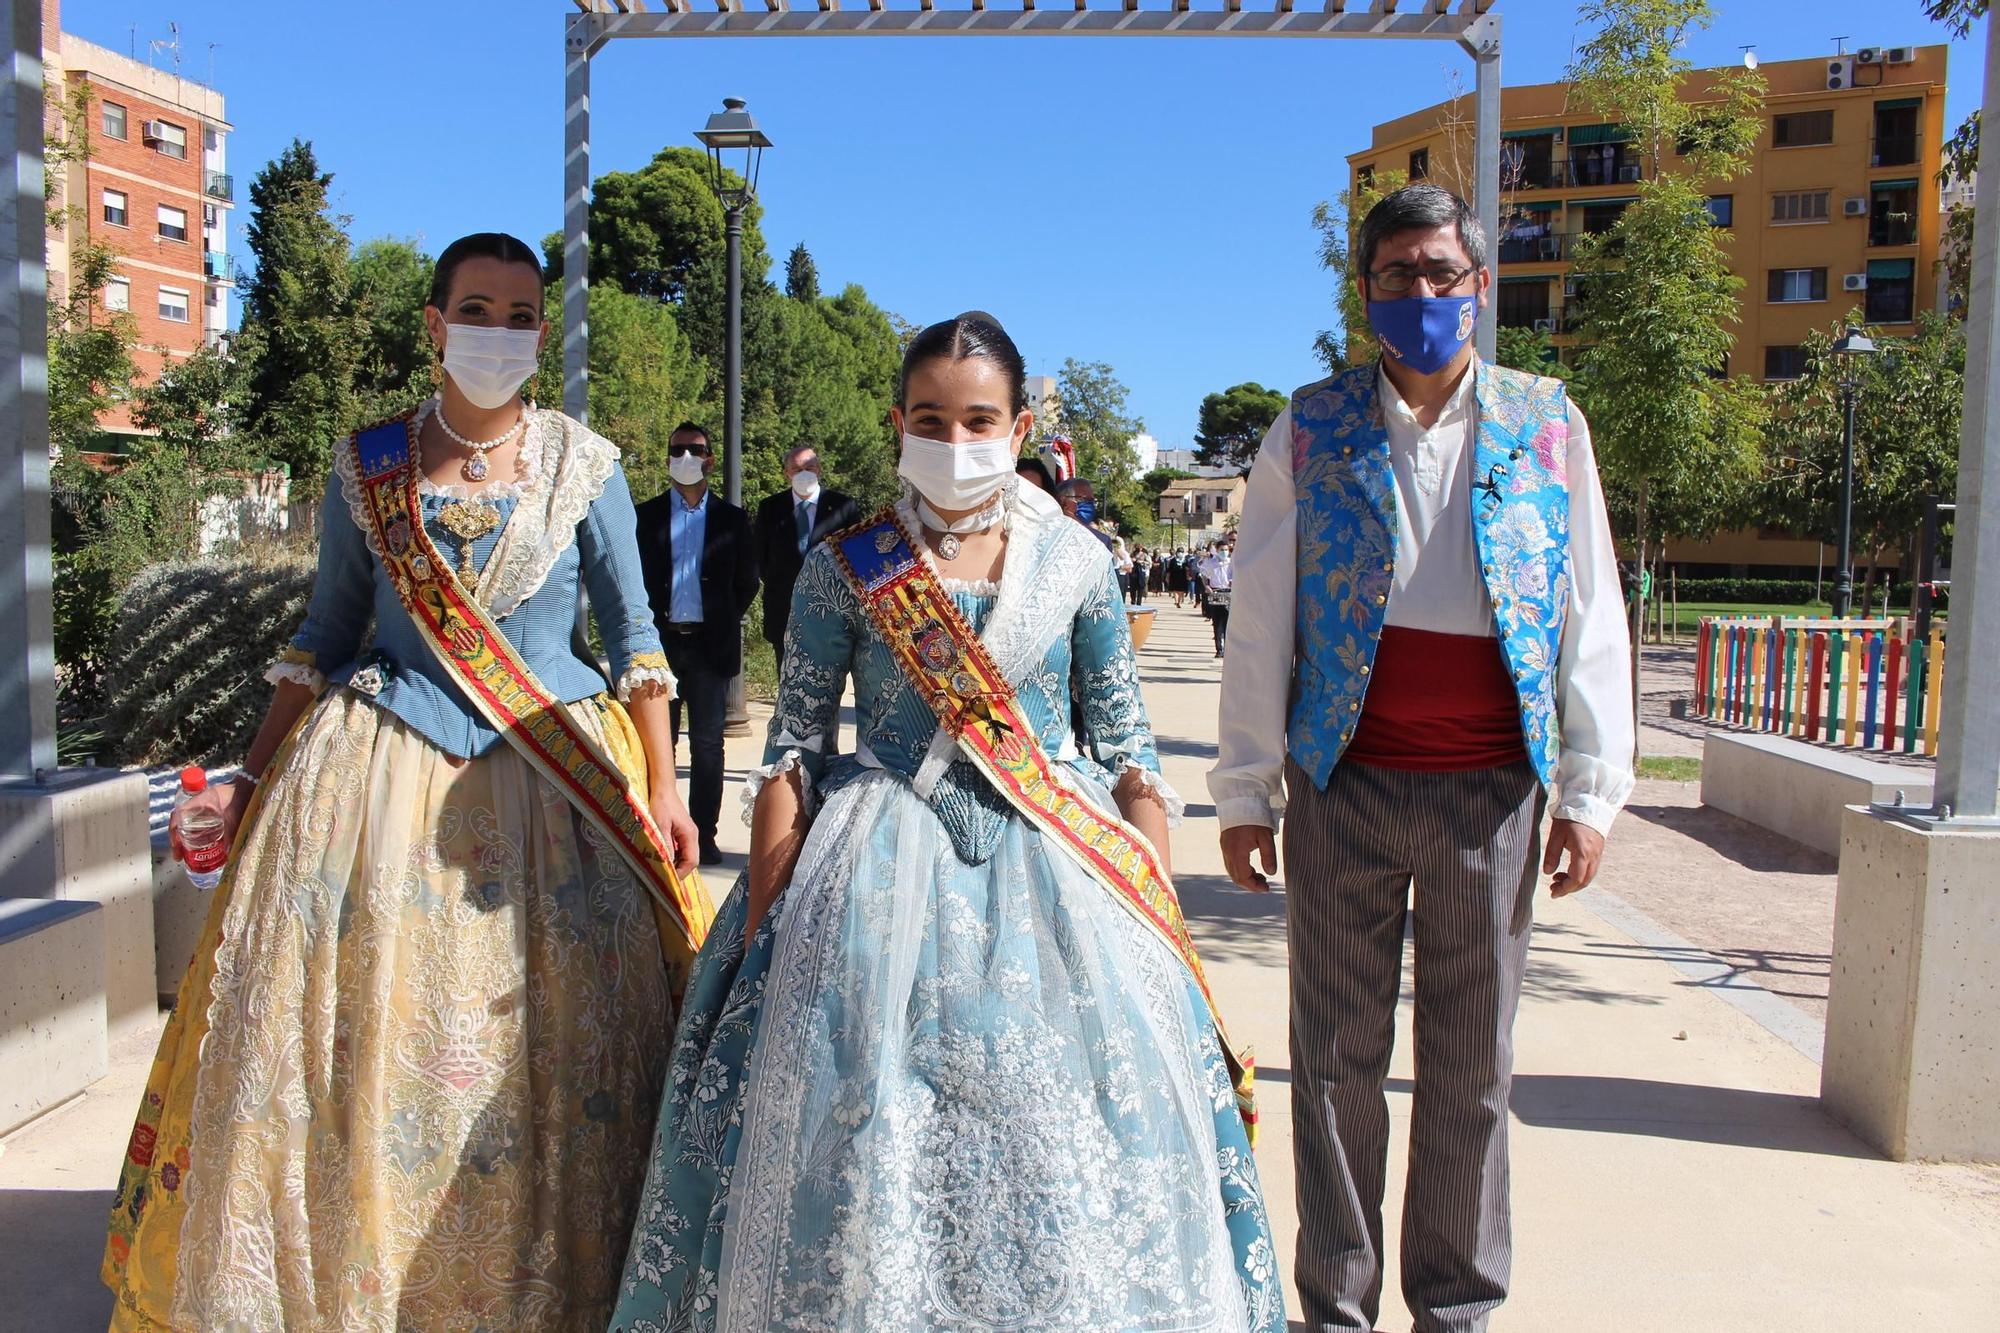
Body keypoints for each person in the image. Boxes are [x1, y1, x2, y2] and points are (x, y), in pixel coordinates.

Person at [611, 311, 1283, 1333]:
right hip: (873, 874)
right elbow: (791, 749)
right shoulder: (847, 562)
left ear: (1016, 429)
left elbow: (1129, 751)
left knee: (1060, 1147)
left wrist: (1159, 918)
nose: (955, 439)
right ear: (896, 423)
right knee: (867, 1133)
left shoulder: (1076, 566)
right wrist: (763, 935)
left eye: (978, 419)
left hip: (1059, 872)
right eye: (931, 417)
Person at [102, 233, 715, 1333]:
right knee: (350, 1052)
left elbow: (636, 644)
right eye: (477, 309)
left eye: (522, 315)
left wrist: (664, 789)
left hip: (555, 785)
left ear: (543, 331)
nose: (500, 331)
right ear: (432, 325)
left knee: (556, 1056)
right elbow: (323, 634)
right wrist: (250, 779)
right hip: (371, 782)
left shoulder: (589, 465)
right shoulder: (367, 464)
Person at [1210, 183, 1635, 1333]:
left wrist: (1589, 790)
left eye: (1440, 273)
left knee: (1471, 1075)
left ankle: (1455, 1307)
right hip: (1342, 785)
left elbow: (1586, 606)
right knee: (1335, 1067)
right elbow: (1261, 615)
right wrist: (1246, 786)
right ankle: (1334, 1308)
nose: (1420, 294)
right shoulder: (1308, 423)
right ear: (1365, 294)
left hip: (1491, 799)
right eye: (1394, 275)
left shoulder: (1547, 421)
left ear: (1478, 285)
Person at [635, 423, 760, 866]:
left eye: (696, 449)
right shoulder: (644, 516)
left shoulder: (732, 518)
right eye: (677, 449)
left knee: (707, 746)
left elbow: (748, 580)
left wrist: (721, 617)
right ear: (667, 455)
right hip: (658, 647)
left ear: (710, 458)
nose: (686, 456)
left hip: (709, 648)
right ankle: (660, 833)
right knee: (658, 745)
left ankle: (702, 836)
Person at [753, 442, 862, 658]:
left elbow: (855, 557)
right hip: (783, 611)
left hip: (832, 612)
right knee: (787, 680)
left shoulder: (843, 507)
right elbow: (761, 558)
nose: (804, 473)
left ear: (819, 470)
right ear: (787, 474)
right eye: (796, 469)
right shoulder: (770, 508)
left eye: (809, 468)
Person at [1057, 475, 1114, 551]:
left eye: (1092, 501)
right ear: (1063, 500)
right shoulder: (1045, 531)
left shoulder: (1101, 541)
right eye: (1084, 499)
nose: (1090, 504)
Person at [1201, 539, 1234, 656]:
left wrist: (1233, 583)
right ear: (1217, 550)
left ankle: (1228, 648)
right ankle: (1219, 649)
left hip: (1228, 592)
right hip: (1215, 592)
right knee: (1217, 621)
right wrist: (1207, 586)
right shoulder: (1211, 562)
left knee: (1228, 622)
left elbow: (1235, 576)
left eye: (1226, 550)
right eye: (1222, 550)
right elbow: (1204, 575)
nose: (1224, 552)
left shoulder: (1231, 562)